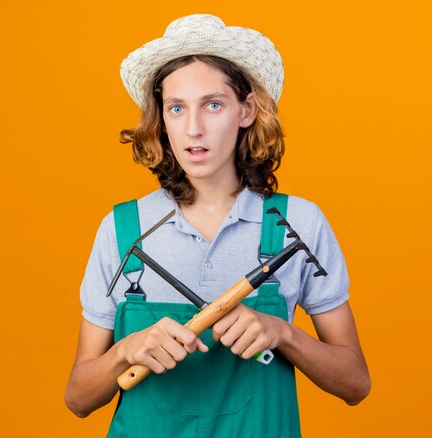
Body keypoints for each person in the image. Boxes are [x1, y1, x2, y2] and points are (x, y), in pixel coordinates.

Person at [65, 14, 370, 437]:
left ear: (246, 110)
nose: (194, 128)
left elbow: (355, 384)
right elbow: (78, 399)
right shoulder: (122, 229)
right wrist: (125, 351)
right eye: (177, 108)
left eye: (213, 104)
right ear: (163, 119)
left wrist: (283, 333)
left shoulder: (296, 225)